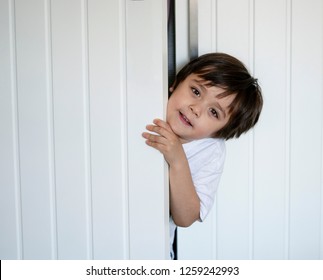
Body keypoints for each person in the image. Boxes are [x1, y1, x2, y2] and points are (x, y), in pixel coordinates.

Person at [142, 52, 263, 259]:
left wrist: (178, 159)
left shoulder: (211, 151)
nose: (196, 109)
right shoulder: (147, 102)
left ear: (219, 133)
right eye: (196, 91)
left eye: (214, 112)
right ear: (176, 82)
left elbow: (186, 217)